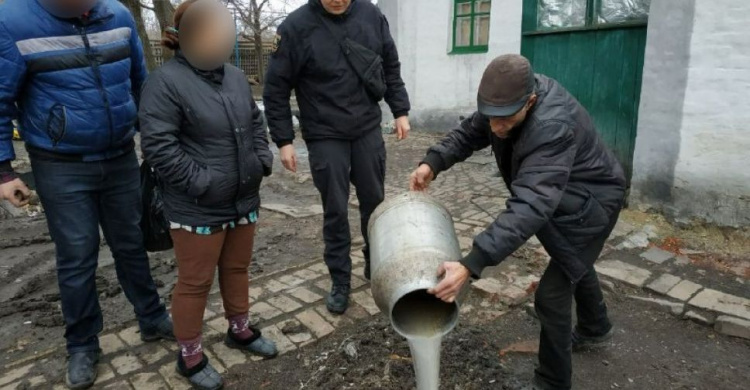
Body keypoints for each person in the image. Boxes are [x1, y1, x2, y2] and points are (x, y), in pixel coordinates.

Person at [411, 54, 626, 390]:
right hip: (564, 198)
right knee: (573, 260)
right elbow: (470, 133)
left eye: (505, 120)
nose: (495, 128)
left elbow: (530, 205)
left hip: (592, 204)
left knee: (552, 297)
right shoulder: (503, 103)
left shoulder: (551, 126)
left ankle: (551, 384)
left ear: (532, 101)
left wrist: (472, 262)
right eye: (490, 117)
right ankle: (595, 328)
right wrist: (433, 163)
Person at [0, 0, 173, 387]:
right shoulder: (11, 21)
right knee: (77, 256)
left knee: (131, 242)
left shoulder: (119, 15)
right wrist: (3, 171)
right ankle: (82, 344)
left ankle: (152, 317)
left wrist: (156, 138)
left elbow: (139, 82)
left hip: (120, 157)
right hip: (60, 163)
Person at [139, 1, 278, 388]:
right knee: (195, 282)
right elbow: (158, 147)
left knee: (237, 269)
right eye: (214, 34)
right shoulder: (164, 83)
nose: (222, 41)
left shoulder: (233, 76)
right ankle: (190, 356)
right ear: (189, 38)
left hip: (243, 199)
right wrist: (202, 182)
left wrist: (262, 158)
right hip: (196, 207)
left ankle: (240, 329)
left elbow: (255, 120)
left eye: (226, 34)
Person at [264, 0, 411, 315]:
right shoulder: (295, 28)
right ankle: (340, 280)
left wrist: (400, 110)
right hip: (324, 131)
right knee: (335, 210)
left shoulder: (372, 17)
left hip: (366, 128)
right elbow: (275, 88)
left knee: (375, 203)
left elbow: (390, 64)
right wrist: (284, 140)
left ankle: (377, 262)